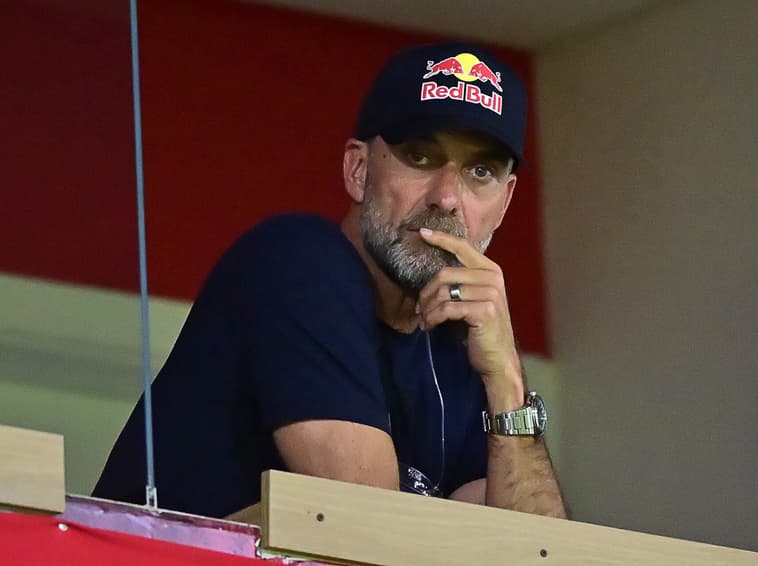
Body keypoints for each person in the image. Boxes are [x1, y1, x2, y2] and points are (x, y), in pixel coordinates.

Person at [94, 42, 567, 520]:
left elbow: (535, 553)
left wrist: (507, 378)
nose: (446, 198)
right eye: (420, 156)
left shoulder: (462, 340)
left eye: (479, 171)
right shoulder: (298, 261)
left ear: (504, 204)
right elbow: (363, 523)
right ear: (358, 171)